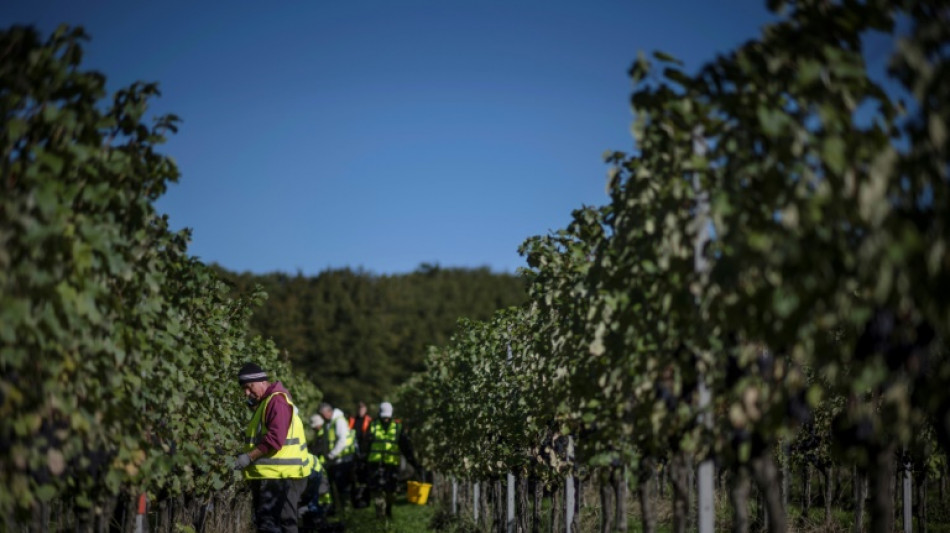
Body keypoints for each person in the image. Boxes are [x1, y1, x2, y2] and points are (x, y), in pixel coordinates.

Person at [233, 363, 313, 533]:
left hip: (277, 476)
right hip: (277, 474)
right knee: (283, 524)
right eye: (244, 389)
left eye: (249, 387)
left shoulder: (276, 401)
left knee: (269, 525)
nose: (246, 392)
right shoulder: (269, 401)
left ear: (261, 381)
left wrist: (249, 457)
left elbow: (275, 439)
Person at [365, 402, 420, 520]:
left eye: (387, 417)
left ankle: (388, 509)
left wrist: (413, 461)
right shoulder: (373, 425)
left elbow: (406, 447)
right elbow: (366, 445)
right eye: (384, 416)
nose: (386, 419)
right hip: (375, 464)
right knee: (378, 491)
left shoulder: (397, 428)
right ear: (379, 414)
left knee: (391, 491)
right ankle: (380, 516)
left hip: (392, 465)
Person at [319, 402, 357, 512]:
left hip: (342, 461)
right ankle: (337, 510)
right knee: (333, 487)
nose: (322, 417)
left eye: (323, 414)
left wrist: (332, 454)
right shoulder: (328, 423)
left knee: (343, 488)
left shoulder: (339, 421)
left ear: (329, 412)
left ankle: (346, 511)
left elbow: (343, 441)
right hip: (334, 461)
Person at [349, 401, 373, 508]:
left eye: (362, 409)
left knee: (365, 477)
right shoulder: (352, 420)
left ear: (366, 410)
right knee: (355, 478)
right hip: (354, 452)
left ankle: (366, 499)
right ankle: (356, 500)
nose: (360, 411)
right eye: (359, 409)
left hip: (365, 452)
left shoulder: (369, 421)